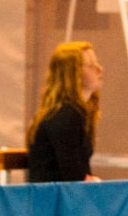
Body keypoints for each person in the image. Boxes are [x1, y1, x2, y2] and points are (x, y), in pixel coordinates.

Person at [27, 41, 103, 182]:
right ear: (73, 74)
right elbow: (73, 174)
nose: (99, 69)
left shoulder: (75, 113)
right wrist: (94, 182)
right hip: (54, 194)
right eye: (91, 65)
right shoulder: (65, 116)